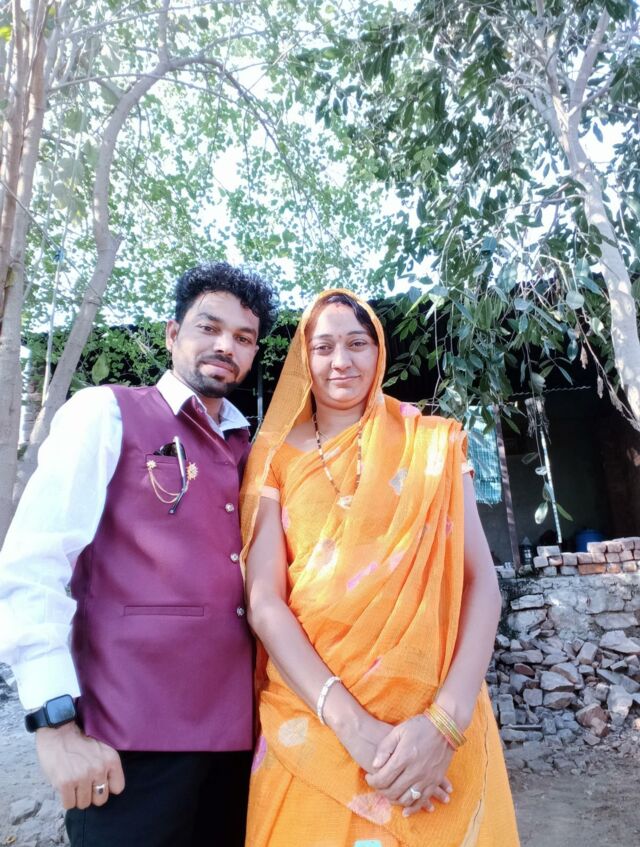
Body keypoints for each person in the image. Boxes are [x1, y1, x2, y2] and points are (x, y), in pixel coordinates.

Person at [0, 261, 277, 847]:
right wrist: (54, 724)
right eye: (209, 327)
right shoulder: (105, 412)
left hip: (238, 748)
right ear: (173, 334)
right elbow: (32, 563)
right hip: (128, 742)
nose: (225, 346)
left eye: (243, 337)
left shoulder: (252, 451)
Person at [240, 290, 520, 846]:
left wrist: (445, 724)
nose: (340, 361)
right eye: (323, 347)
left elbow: (481, 585)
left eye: (356, 343)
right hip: (313, 717)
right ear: (304, 359)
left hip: (434, 725)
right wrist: (353, 727)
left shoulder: (432, 443)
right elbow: (264, 601)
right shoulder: (274, 459)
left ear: (379, 352)